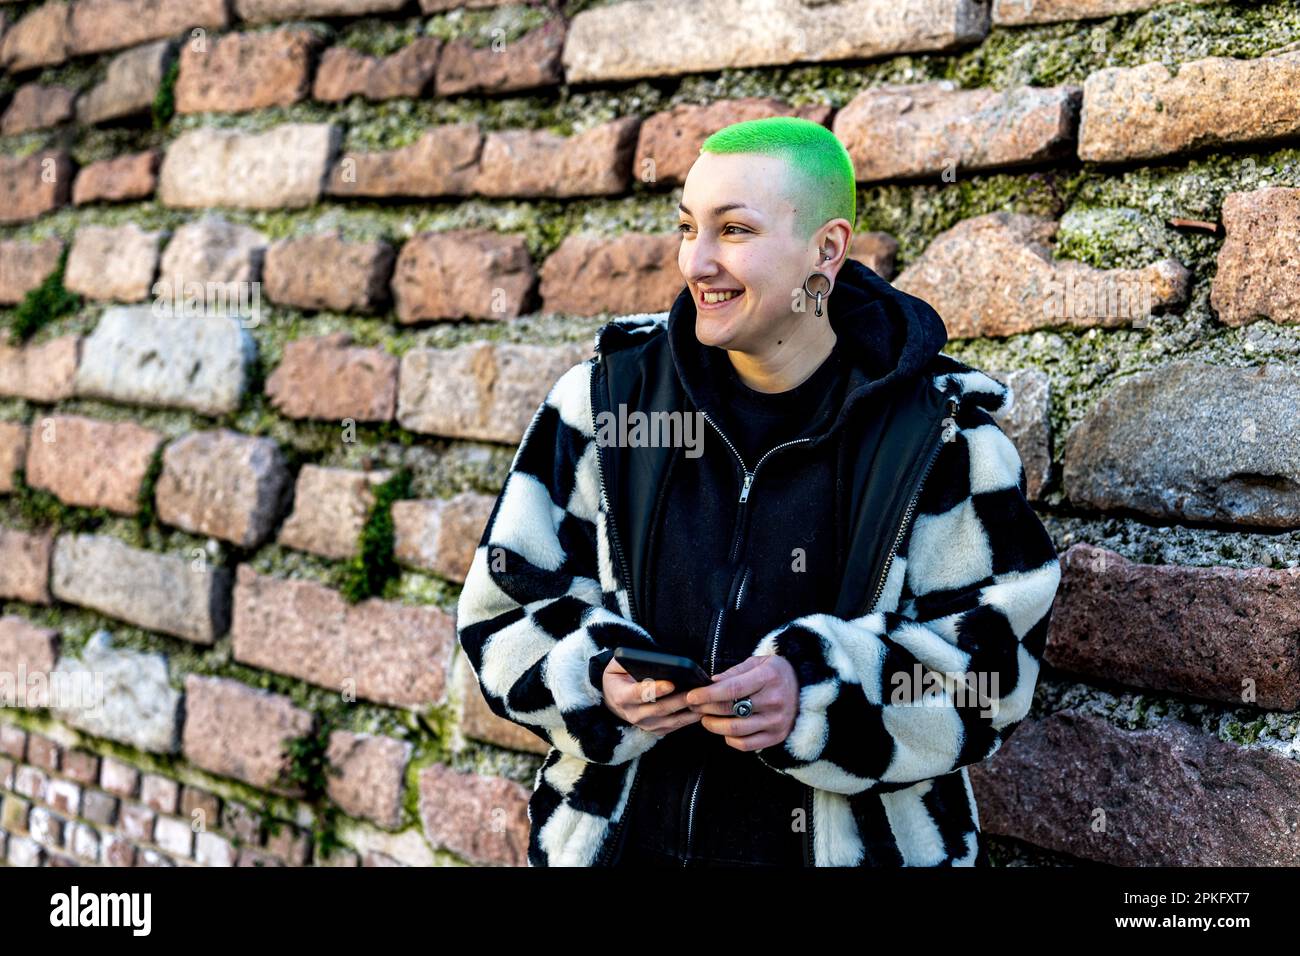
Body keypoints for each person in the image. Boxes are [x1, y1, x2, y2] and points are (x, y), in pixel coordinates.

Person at [455, 116, 1062, 867]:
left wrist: (814, 693)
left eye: (733, 230)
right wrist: (596, 678)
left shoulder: (945, 438)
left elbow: (993, 677)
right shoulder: (606, 403)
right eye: (687, 227)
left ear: (826, 250)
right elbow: (503, 611)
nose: (697, 262)